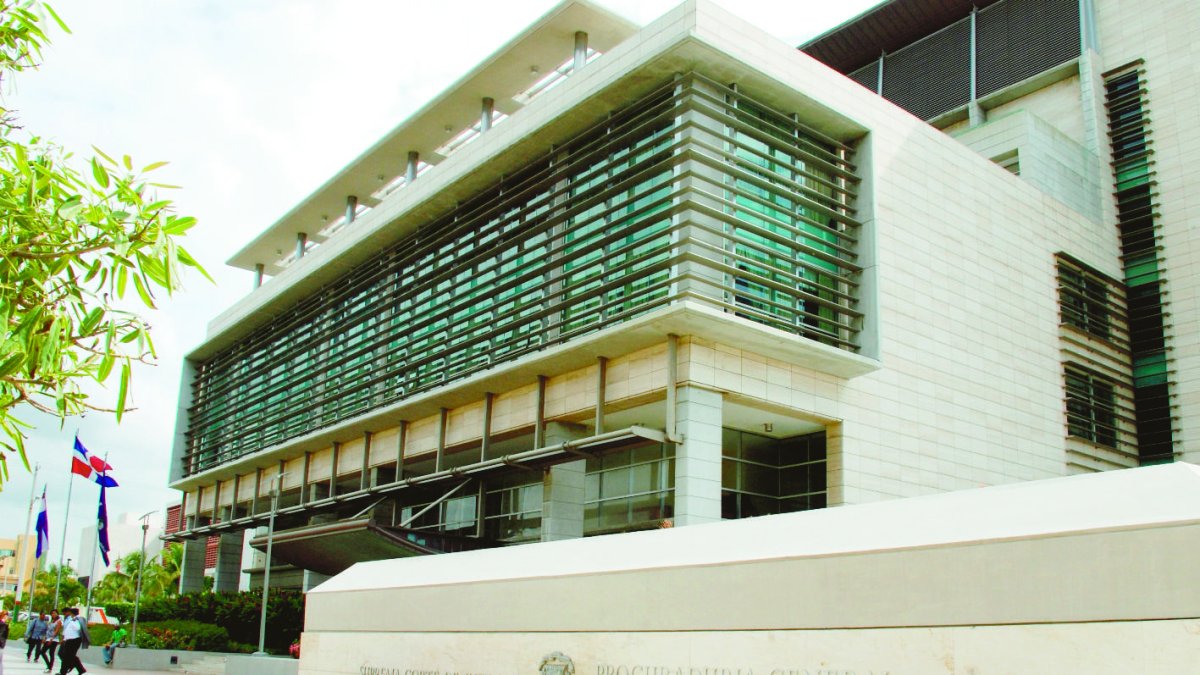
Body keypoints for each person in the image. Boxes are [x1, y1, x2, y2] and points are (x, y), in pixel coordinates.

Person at [55, 607, 88, 675]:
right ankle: (81, 670)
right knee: (70, 656)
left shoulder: (76, 620)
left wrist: (73, 623)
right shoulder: (74, 619)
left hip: (73, 640)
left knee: (67, 656)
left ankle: (63, 672)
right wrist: (64, 639)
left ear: (72, 613)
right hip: (70, 640)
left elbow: (78, 628)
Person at [42, 609, 62, 674]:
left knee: (51, 653)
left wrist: (52, 638)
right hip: (48, 638)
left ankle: (50, 668)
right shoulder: (51, 621)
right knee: (42, 652)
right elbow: (48, 631)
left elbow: (57, 630)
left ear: (57, 614)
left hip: (54, 639)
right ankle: (49, 666)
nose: (53, 614)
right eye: (52, 613)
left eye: (55, 613)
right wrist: (45, 637)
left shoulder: (59, 621)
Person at [0, 609, 10, 675]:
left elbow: (5, 636)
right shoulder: (3, 624)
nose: (7, 617)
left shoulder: (5, 624)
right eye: (6, 615)